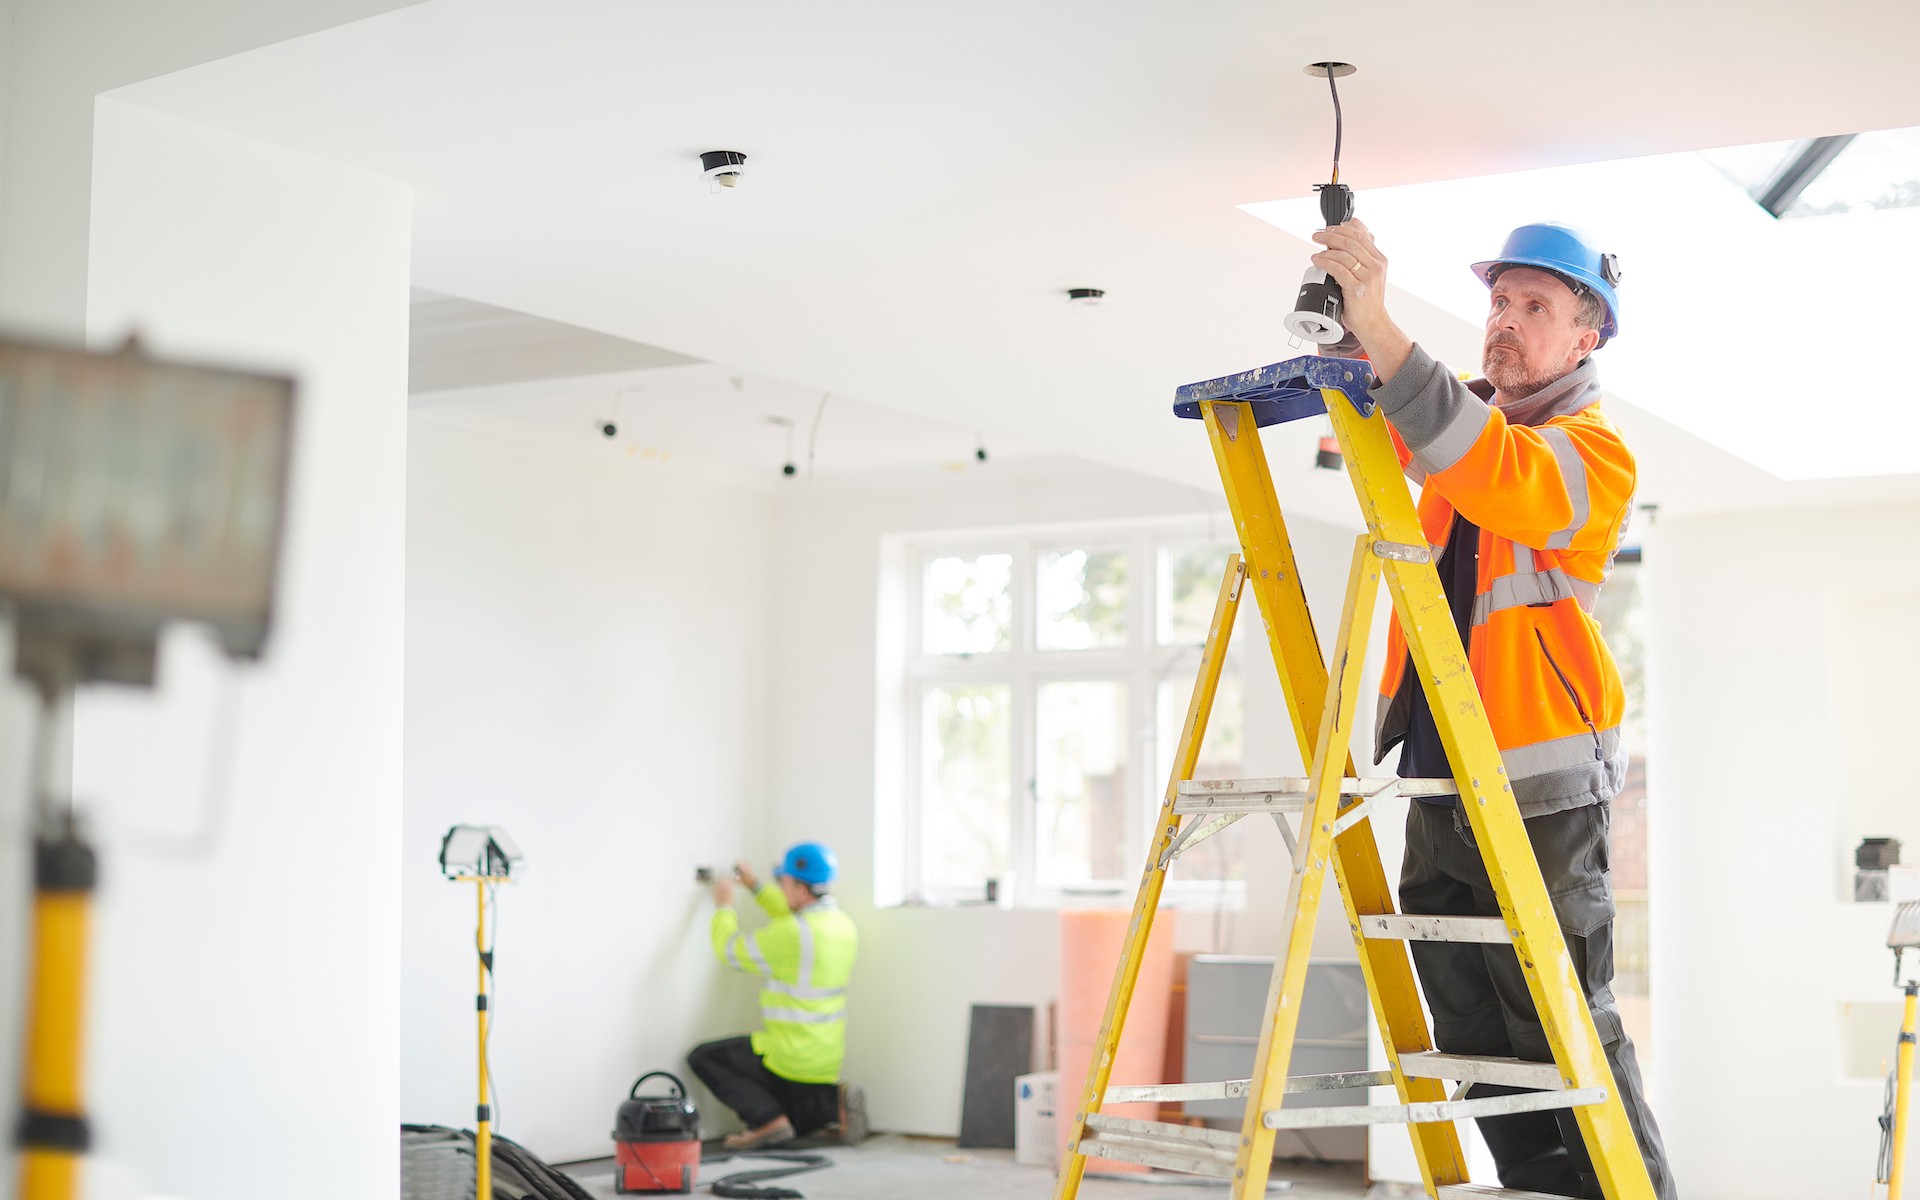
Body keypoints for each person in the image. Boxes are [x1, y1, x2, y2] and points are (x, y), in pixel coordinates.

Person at [1307, 219, 1676, 1200]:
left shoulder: (1591, 454)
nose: (1505, 325)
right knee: (1468, 1020)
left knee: (1557, 1014)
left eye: (1535, 308)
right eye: (1500, 302)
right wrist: (1348, 332)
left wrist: (1385, 332)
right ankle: (1540, 1187)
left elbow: (1493, 472)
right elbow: (1392, 438)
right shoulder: (1467, 426)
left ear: (1583, 339)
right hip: (1438, 772)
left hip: (1537, 786)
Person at [689, 841, 866, 1149]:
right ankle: (832, 1104)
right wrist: (755, 886)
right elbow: (789, 912)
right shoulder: (842, 925)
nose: (780, 889)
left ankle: (767, 1122)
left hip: (788, 1056)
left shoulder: (792, 934)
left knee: (705, 1057)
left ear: (800, 888)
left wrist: (724, 905)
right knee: (796, 1113)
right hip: (825, 1060)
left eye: (782, 882)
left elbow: (729, 950)